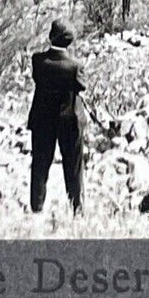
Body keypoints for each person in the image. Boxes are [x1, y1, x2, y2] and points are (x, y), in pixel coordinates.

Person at [28, 18, 85, 213]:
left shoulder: (38, 61)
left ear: (51, 36)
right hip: (70, 121)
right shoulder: (75, 66)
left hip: (43, 121)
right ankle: (77, 208)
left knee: (40, 165)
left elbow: (37, 78)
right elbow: (81, 86)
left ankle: (36, 208)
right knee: (74, 167)